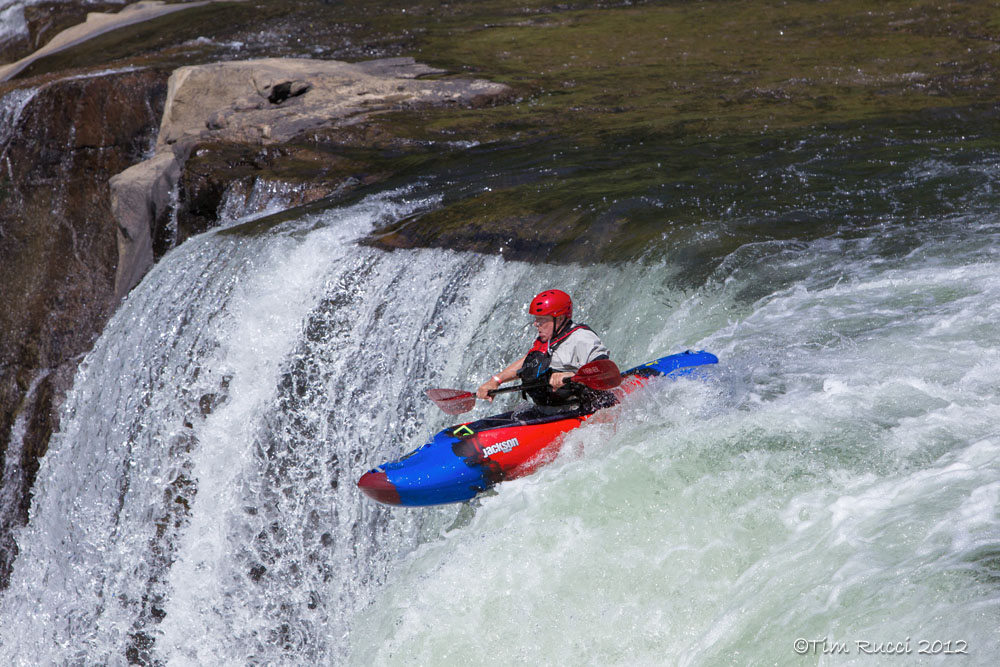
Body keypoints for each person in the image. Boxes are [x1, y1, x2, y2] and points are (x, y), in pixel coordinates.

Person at [476, 289, 614, 414]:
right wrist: (496, 380)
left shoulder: (582, 338)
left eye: (542, 320)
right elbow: (529, 363)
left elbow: (605, 372)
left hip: (583, 409)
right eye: (536, 319)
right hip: (550, 410)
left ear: (559, 319)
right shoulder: (548, 340)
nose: (536, 324)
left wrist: (572, 375)